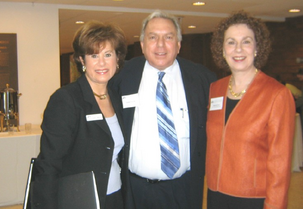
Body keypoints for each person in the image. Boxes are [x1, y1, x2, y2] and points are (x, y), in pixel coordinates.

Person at [110, 10, 216, 209]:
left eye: (168, 37)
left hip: (184, 189)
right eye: (152, 37)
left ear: (178, 45)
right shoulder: (122, 76)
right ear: (142, 45)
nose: (160, 44)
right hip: (135, 191)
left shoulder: (202, 79)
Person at [31, 20, 127, 209]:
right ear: (82, 60)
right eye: (93, 55)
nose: (102, 62)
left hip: (115, 196)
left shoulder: (116, 97)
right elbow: (49, 163)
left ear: (117, 59)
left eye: (108, 54)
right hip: (79, 199)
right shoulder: (66, 99)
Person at [206, 10, 295, 209]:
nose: (238, 49)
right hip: (215, 194)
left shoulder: (277, 95)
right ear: (222, 50)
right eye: (231, 42)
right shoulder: (216, 89)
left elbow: (280, 165)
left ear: (256, 48)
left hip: (252, 199)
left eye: (246, 41)